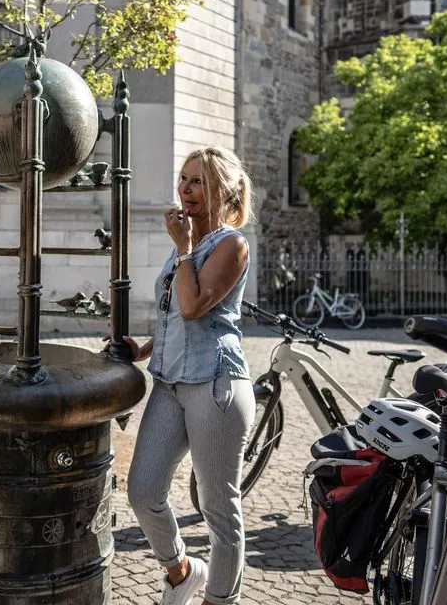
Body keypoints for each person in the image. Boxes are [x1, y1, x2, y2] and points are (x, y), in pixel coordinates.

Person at [120, 146, 256, 605]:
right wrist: (143, 348)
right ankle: (180, 571)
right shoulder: (189, 247)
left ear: (226, 191)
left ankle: (221, 601)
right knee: (143, 489)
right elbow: (175, 315)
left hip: (215, 385)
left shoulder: (231, 244)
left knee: (219, 511)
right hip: (169, 382)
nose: (185, 188)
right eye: (183, 179)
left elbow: (196, 307)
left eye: (198, 181)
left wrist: (183, 248)